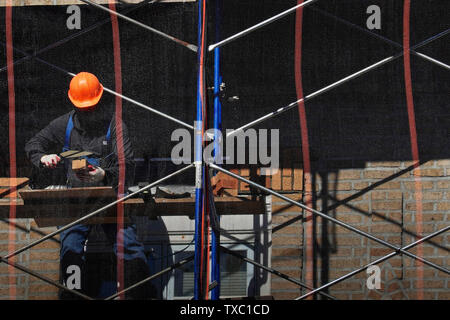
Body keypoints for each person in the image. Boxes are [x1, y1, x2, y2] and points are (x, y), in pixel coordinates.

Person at [25, 72, 154, 299]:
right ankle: (74, 296)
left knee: (128, 246)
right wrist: (42, 158)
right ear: (73, 102)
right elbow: (34, 143)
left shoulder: (115, 125)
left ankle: (139, 295)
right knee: (71, 248)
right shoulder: (64, 123)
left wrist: (104, 175)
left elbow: (128, 166)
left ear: (100, 99)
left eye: (91, 107)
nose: (87, 111)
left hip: (110, 198)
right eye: (82, 107)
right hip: (77, 201)